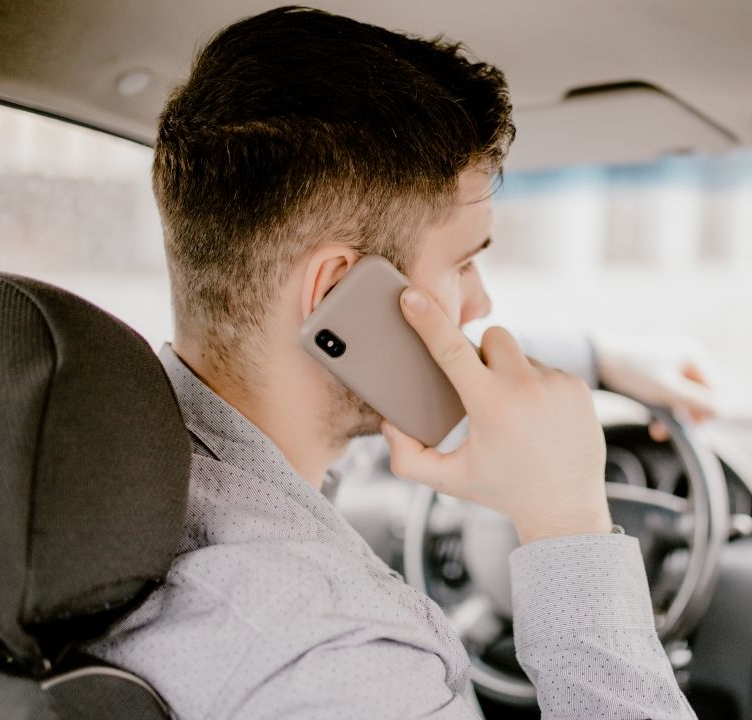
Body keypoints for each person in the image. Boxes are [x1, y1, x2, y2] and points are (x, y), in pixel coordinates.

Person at [84, 6, 713, 719]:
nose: (480, 303)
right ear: (340, 296)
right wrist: (566, 522)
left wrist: (599, 357)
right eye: (465, 263)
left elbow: (420, 328)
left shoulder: (122, 466)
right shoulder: (339, 659)